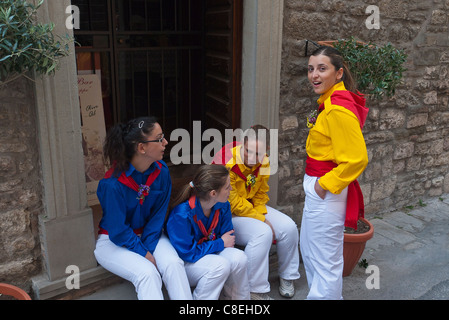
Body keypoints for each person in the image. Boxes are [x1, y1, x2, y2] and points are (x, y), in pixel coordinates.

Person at [94, 117, 192, 300]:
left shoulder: (161, 172)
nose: (165, 142)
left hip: (150, 233)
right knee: (147, 274)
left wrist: (148, 246)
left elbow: (158, 215)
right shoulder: (112, 184)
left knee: (173, 264)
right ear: (141, 148)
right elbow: (118, 230)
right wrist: (143, 253)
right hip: (113, 241)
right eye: (159, 138)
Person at [301, 45, 369, 300]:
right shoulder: (328, 102)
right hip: (319, 189)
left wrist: (323, 185)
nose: (314, 75)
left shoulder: (338, 109)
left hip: (326, 192)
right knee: (310, 251)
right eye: (310, 69)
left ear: (338, 73)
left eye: (322, 68)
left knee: (324, 260)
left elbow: (357, 159)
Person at [222, 125, 300, 300]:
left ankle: (288, 276)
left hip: (251, 208)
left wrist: (260, 214)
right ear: (243, 143)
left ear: (267, 150)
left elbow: (260, 193)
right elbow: (232, 202)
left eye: (257, 154)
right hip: (230, 214)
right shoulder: (229, 163)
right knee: (262, 232)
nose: (251, 158)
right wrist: (262, 220)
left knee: (288, 227)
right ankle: (254, 289)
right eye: (248, 151)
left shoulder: (264, 161)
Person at [166, 164, 250, 300]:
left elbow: (229, 237)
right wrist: (219, 243)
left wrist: (221, 243)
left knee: (239, 258)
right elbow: (189, 253)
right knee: (220, 266)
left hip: (208, 252)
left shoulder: (223, 204)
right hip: (188, 264)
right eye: (227, 187)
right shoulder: (181, 215)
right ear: (213, 193)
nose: (231, 189)